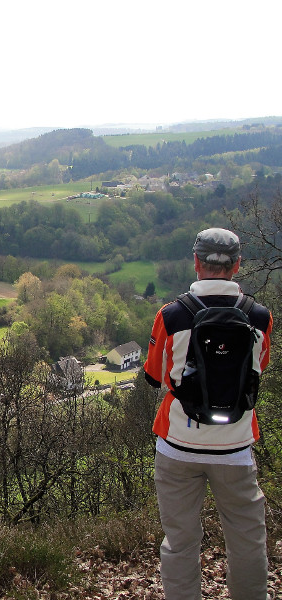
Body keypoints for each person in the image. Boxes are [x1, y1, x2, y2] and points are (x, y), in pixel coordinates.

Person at [143, 227, 273, 600]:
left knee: (181, 542)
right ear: (237, 266)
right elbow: (256, 370)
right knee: (248, 541)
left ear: (196, 262)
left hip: (178, 447)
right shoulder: (260, 317)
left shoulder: (171, 315)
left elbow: (154, 376)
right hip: (235, 447)